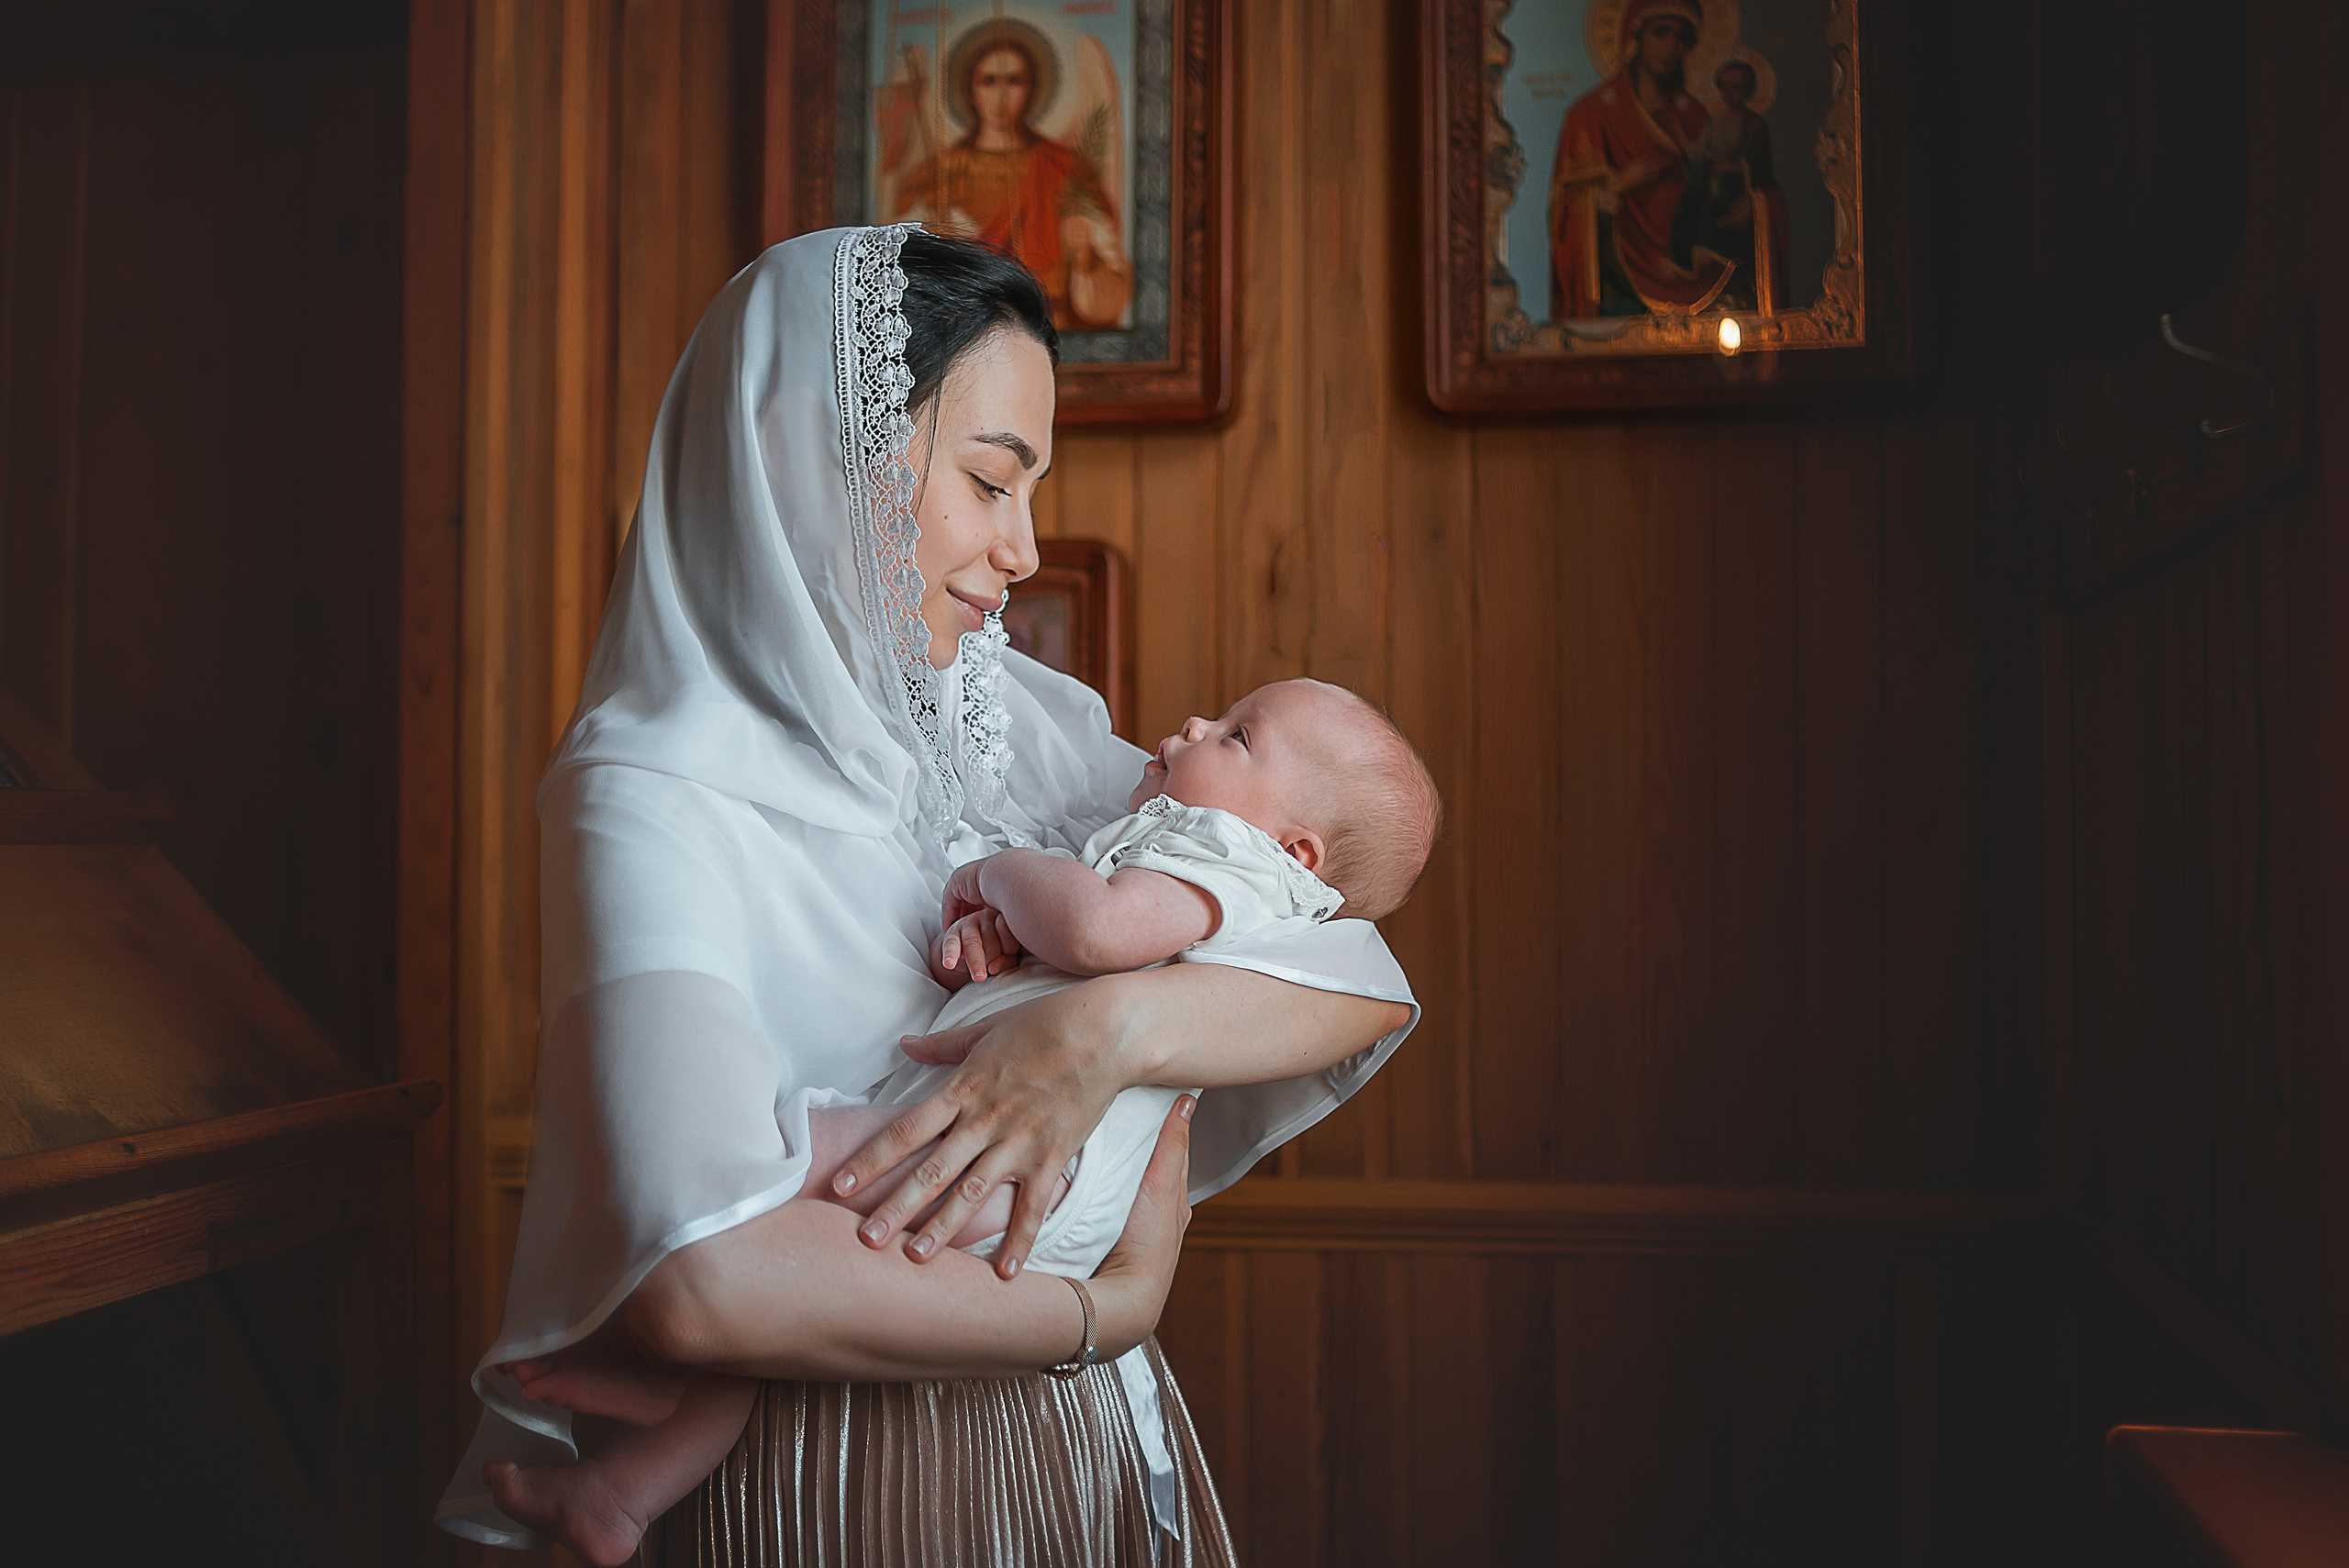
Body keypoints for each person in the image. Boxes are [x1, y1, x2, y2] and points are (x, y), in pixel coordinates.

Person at [430, 225, 1419, 1565]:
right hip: (841, 1481)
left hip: (1085, 1451)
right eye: (988, 479)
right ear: (817, 450)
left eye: (1030, 491)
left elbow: (1350, 966)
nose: (1021, 549)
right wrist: (1101, 1312)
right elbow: (703, 1286)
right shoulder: (646, 795)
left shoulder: (1003, 718)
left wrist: (1102, 1036)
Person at [478, 679, 1442, 1563]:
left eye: (1236, 734)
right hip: (1028, 1179)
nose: (1194, 724)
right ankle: (625, 1482)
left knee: (768, 1176)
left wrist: (999, 875)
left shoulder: (1221, 859)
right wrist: (1004, 939)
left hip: (1021, 1167)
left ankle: (631, 1363)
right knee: (809, 1267)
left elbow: (1102, 928)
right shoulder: (1210, 869)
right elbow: (1086, 945)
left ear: (1297, 848)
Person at [886, 26, 1133, 330]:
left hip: (1045, 328)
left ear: (1033, 88)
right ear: (970, 91)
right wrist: (937, 241)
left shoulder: (1064, 168)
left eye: (1014, 81)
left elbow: (1111, 285)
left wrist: (1085, 258)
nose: (1001, 96)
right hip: (962, 332)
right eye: (988, 82)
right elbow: (895, 261)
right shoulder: (937, 174)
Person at [1548, 0, 1734, 319]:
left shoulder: (1696, 118)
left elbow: (1720, 198)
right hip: (1620, 286)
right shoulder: (1590, 116)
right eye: (1661, 33)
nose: (1671, 47)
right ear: (1636, 35)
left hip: (1693, 283)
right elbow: (1565, 215)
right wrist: (1616, 188)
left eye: (1682, 38)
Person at [1670, 57, 1788, 313]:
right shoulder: (1715, 122)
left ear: (1748, 89)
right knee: (1687, 202)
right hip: (1710, 183)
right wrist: (1682, 141)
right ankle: (1683, 262)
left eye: (1735, 87)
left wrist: (1733, 168)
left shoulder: (1755, 126)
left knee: (1715, 208)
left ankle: (1708, 258)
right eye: (1723, 86)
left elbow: (1759, 168)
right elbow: (1699, 156)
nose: (1728, 93)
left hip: (1736, 190)